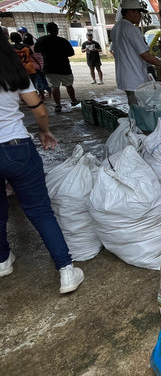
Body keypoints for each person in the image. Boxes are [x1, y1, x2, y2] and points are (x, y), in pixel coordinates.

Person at [0, 34, 84, 294]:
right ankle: (66, 270)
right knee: (40, 211)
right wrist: (44, 131)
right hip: (17, 147)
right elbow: (40, 110)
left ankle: (2, 261)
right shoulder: (14, 73)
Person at [110, 0, 161, 105]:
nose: (140, 16)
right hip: (135, 77)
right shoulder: (131, 30)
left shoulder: (116, 28)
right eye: (138, 12)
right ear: (130, 11)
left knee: (133, 105)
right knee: (140, 107)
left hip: (125, 76)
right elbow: (145, 55)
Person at [34, 22, 79, 113]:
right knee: (69, 85)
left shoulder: (41, 40)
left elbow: (36, 50)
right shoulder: (62, 41)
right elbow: (71, 53)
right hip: (64, 67)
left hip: (49, 67)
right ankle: (74, 101)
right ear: (57, 30)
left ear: (47, 30)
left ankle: (58, 105)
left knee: (55, 87)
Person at [23, 33, 51, 99]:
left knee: (38, 81)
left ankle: (42, 95)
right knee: (44, 80)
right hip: (42, 66)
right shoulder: (37, 47)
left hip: (34, 68)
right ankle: (50, 93)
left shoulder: (26, 49)